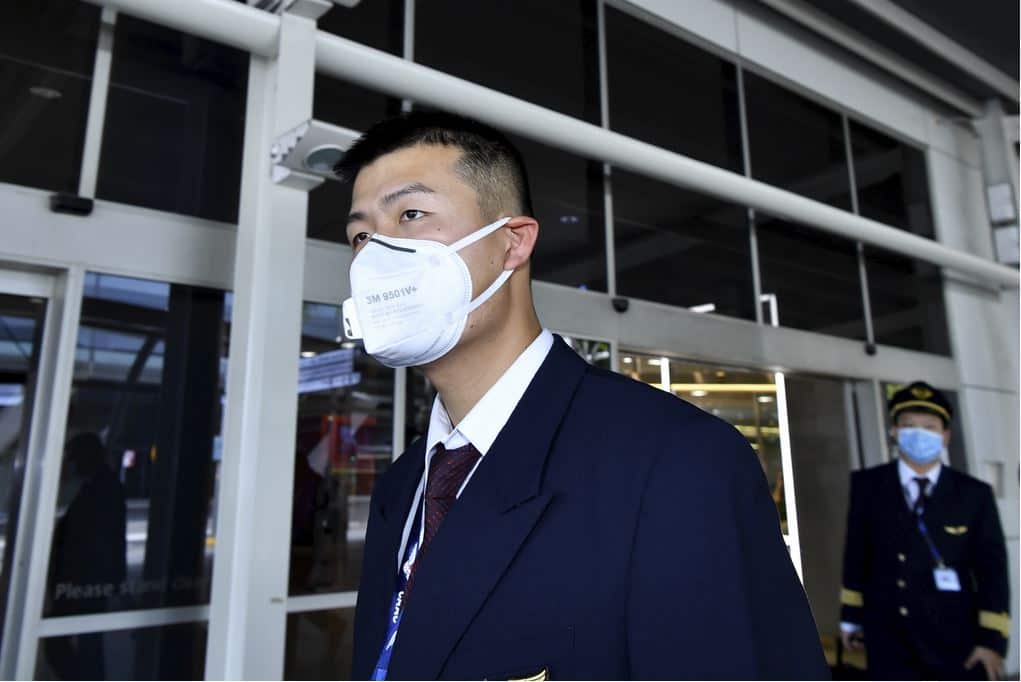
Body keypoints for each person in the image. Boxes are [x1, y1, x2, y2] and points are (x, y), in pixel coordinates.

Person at [338, 111, 828, 680]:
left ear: (512, 243)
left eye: (412, 215)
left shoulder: (677, 463)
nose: (375, 257)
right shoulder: (403, 487)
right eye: (361, 235)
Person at [840, 382, 1010, 680]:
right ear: (894, 431)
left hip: (957, 642)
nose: (919, 434)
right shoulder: (867, 485)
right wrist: (850, 619)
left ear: (945, 436)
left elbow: (992, 571)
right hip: (888, 640)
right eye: (909, 426)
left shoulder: (973, 494)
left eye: (929, 427)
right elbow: (856, 555)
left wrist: (992, 641)